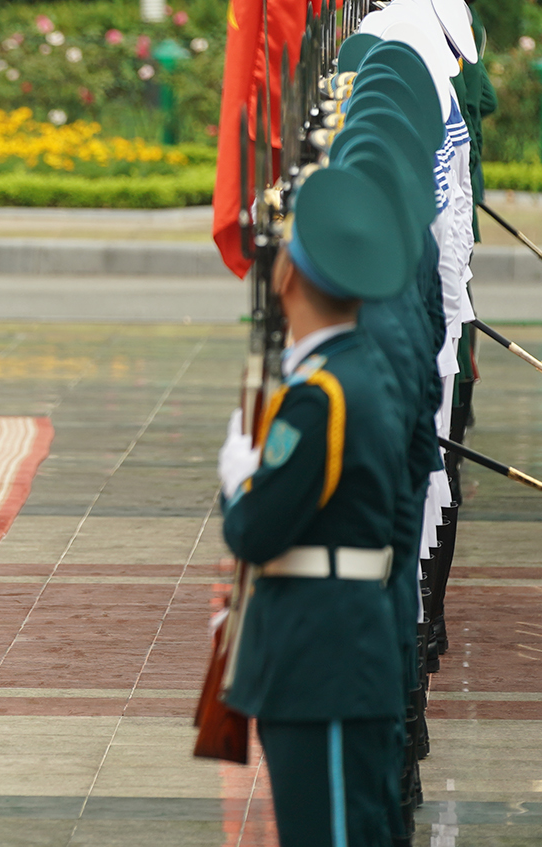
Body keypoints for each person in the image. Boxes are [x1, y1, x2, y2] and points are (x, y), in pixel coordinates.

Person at [217, 164, 411, 847]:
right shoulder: (366, 371)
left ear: (289, 277)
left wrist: (240, 473)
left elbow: (253, 529)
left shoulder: (321, 396)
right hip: (347, 648)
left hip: (322, 662)